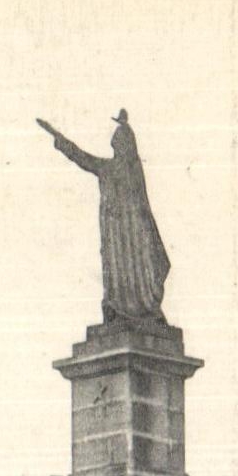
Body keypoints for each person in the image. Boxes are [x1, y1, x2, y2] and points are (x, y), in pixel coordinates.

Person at [37, 110, 170, 322]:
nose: (116, 144)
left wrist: (59, 138)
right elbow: (81, 157)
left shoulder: (122, 169)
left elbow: (83, 158)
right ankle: (129, 309)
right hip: (118, 238)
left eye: (119, 140)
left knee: (130, 269)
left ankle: (135, 310)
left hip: (127, 237)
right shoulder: (120, 169)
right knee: (122, 271)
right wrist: (59, 138)